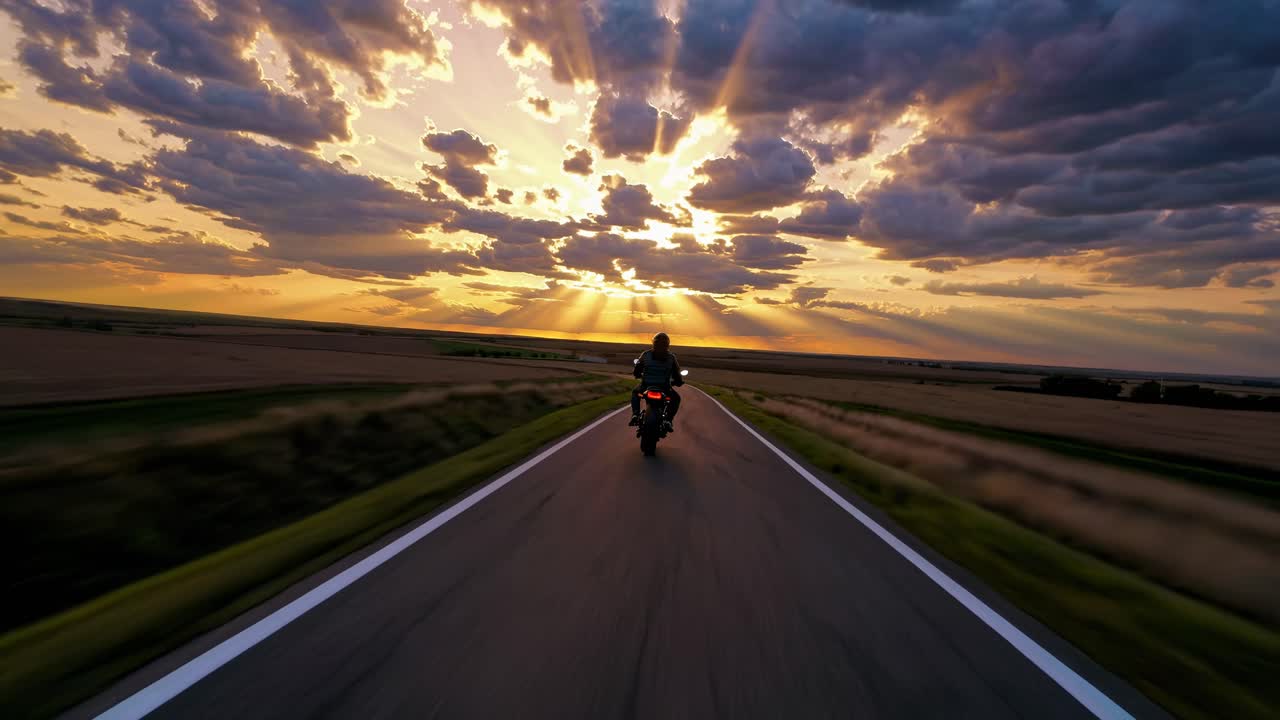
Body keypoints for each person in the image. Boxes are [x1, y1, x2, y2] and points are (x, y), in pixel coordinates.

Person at [630, 332, 683, 432]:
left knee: (635, 393)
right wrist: (679, 382)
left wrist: (637, 375)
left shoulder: (646, 355)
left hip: (646, 386)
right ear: (667, 345)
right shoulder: (671, 357)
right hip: (664, 388)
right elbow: (677, 374)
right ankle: (668, 420)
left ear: (654, 343)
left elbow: (637, 370)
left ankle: (635, 415)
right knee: (676, 399)